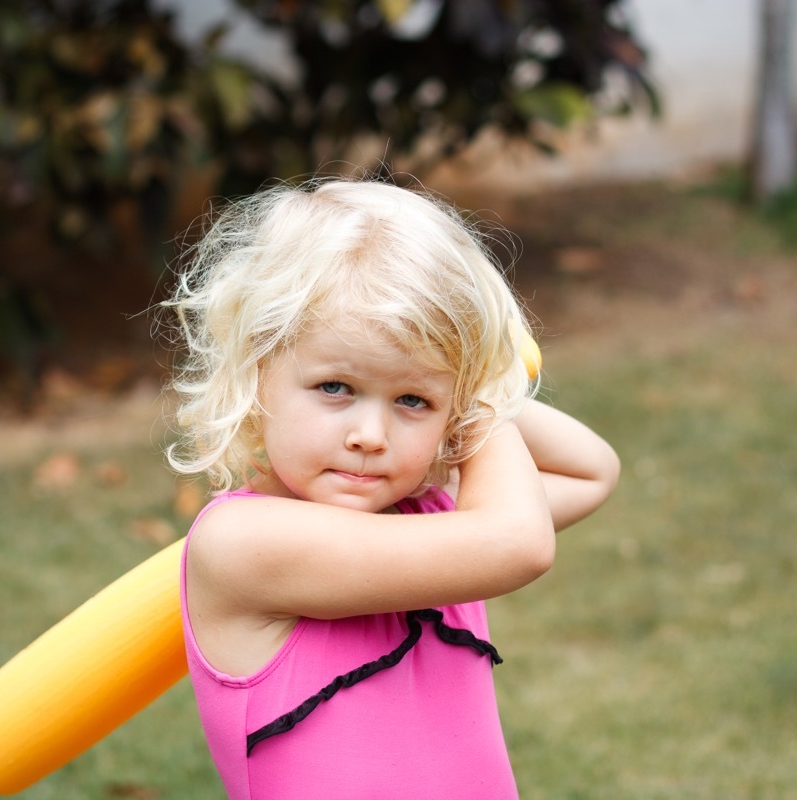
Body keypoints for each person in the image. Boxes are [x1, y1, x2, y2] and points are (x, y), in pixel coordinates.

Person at [162, 177, 619, 799]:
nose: (371, 434)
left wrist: (467, 386)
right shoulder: (242, 542)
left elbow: (591, 470)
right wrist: (475, 395)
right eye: (335, 387)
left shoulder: (433, 518)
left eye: (411, 399)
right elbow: (520, 542)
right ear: (256, 368)